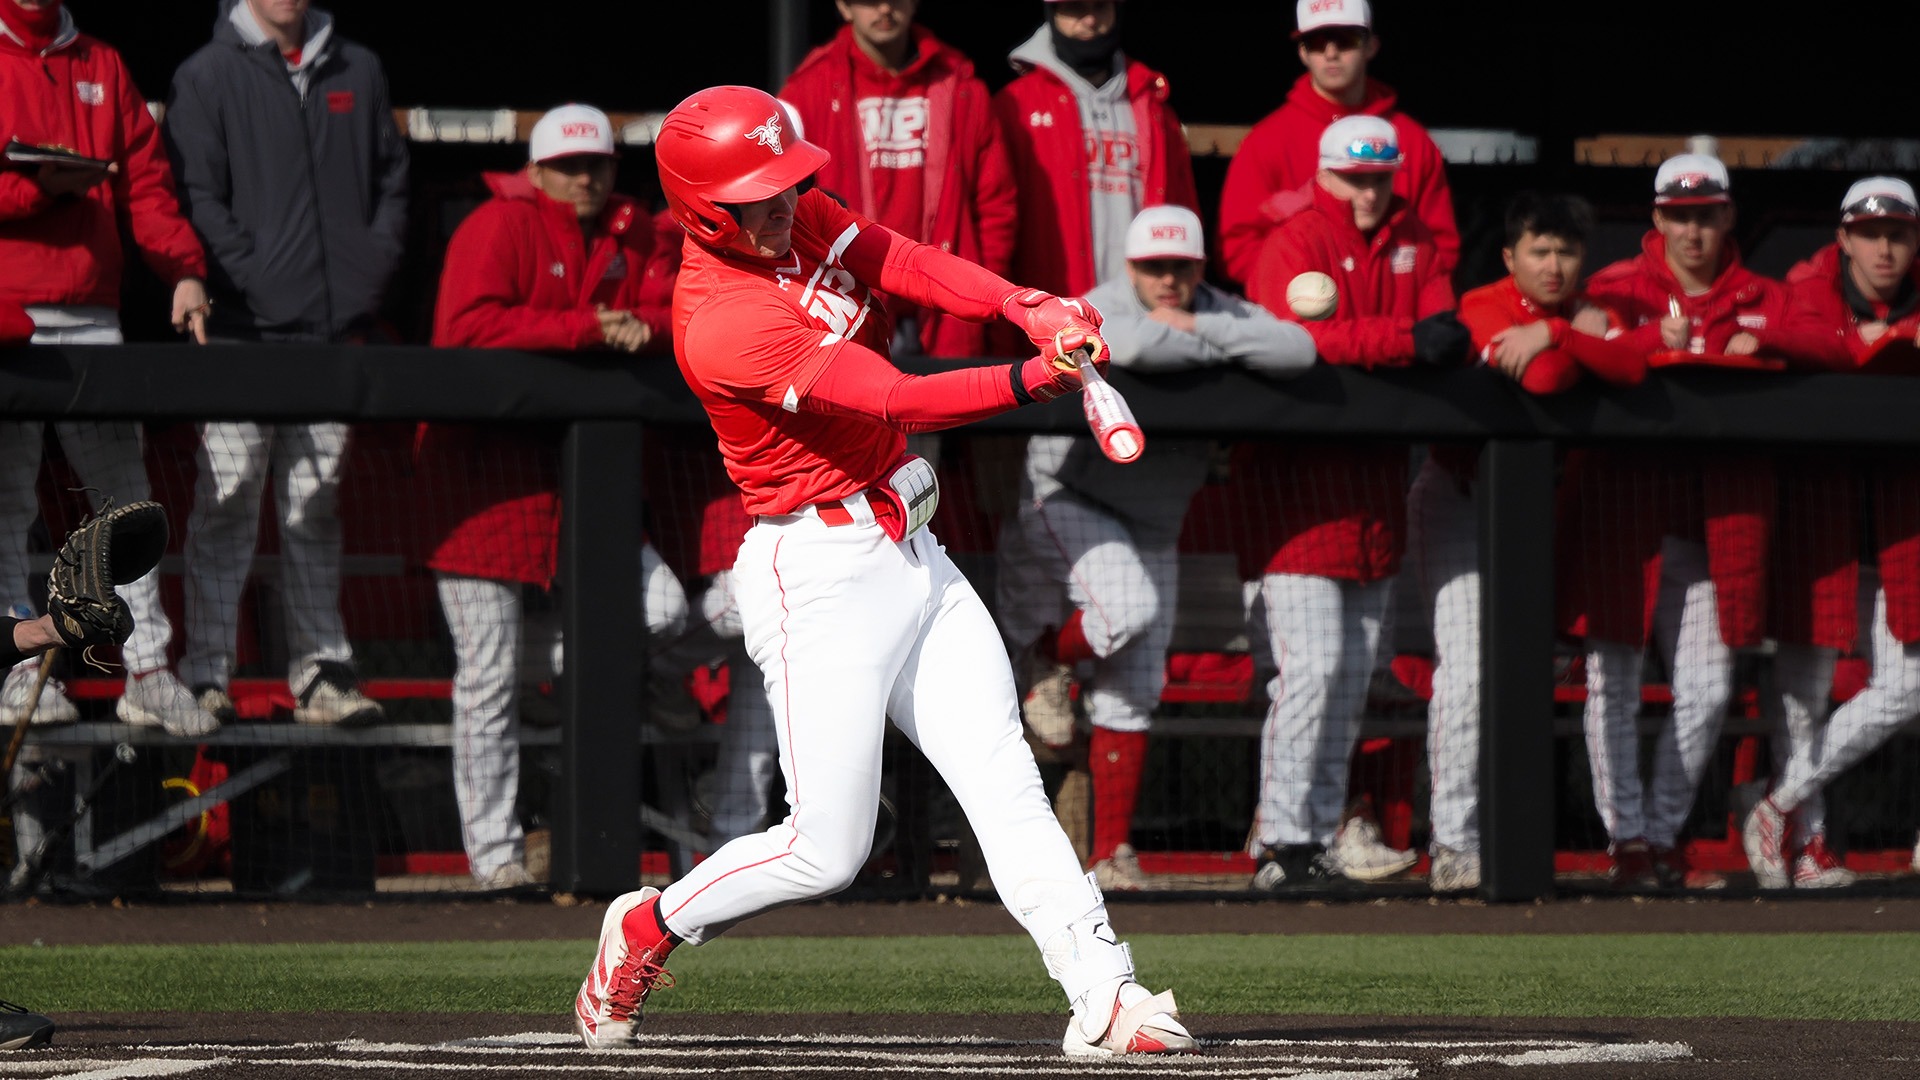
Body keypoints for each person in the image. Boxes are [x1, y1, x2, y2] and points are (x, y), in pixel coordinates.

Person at [573, 85, 1194, 1059]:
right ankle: (647, 926)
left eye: (787, 185)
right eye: (761, 195)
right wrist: (1037, 375)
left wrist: (1020, 304)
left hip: (908, 544)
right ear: (705, 211)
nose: (787, 205)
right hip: (813, 569)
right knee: (830, 846)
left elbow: (901, 260)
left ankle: (1105, 999)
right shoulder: (722, 319)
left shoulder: (786, 215)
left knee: (1003, 776)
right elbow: (896, 395)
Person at [996, 205, 1314, 891]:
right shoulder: (1099, 303)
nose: (1168, 280)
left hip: (1154, 514)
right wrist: (1225, 347)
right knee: (1126, 610)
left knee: (1136, 687)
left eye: (1181, 267)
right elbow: (1135, 349)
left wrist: (1199, 328)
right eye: (1153, 267)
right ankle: (1045, 660)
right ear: (1131, 266)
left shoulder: (1212, 307)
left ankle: (1110, 854)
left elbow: (1298, 350)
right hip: (1070, 494)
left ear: (1200, 268)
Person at [424, 104, 690, 890]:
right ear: (535, 170)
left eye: (598, 165)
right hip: (482, 487)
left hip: (583, 491)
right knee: (487, 679)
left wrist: (635, 323)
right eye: (569, 166)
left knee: (668, 611)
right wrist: (584, 329)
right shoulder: (496, 225)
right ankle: (495, 855)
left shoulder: (637, 229)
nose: (585, 178)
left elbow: (684, 309)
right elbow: (464, 331)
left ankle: (576, 684)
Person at [164, 0, 410, 727]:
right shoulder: (205, 74)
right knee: (229, 498)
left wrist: (366, 270)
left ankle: (322, 673)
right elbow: (194, 196)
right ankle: (205, 670)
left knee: (314, 505)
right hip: (239, 332)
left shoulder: (359, 69)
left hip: (331, 334)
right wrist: (256, 281)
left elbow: (392, 181)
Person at [1236, 115, 1466, 890]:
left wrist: (1409, 336)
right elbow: (1295, 346)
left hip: (1375, 498)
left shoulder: (1417, 241)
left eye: (1379, 177)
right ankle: (1279, 839)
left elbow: (1444, 327)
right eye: (1353, 178)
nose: (1367, 192)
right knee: (1311, 670)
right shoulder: (1293, 240)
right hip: (1299, 498)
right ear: (1326, 176)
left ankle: (1318, 834)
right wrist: (1401, 340)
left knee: (1353, 669)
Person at [1569, 154, 1786, 889]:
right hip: (1623, 520)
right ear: (1656, 219)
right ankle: (1625, 837)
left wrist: (1775, 345)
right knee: (1614, 684)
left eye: (1707, 214)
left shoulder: (1762, 295)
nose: (1693, 230)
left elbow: (1823, 339)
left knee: (1707, 688)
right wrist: (1603, 335)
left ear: (1729, 217)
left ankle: (1660, 832)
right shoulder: (1610, 289)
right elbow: (1570, 357)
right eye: (1679, 215)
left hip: (1710, 526)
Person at [0, 0, 215, 737]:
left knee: (125, 506)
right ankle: (17, 667)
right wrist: (39, 188)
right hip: (6, 313)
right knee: (4, 504)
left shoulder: (102, 61)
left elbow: (147, 185)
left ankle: (148, 669)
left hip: (92, 314)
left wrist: (184, 270)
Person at [1436, 192, 1647, 891]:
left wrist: (1559, 335)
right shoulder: (1485, 302)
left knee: (1528, 675)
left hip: (1538, 513)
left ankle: (1497, 841)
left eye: (1566, 252)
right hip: (1455, 497)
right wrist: (1573, 341)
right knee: (1467, 672)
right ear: (1510, 256)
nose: (1553, 265)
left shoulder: (1585, 312)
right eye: (1539, 251)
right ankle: (1453, 844)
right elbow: (1549, 383)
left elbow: (1633, 367)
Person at [1742, 176, 1920, 889]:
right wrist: (1877, 340)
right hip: (1818, 515)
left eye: (1899, 233)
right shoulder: (1808, 283)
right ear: (1843, 238)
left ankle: (1775, 805)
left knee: (1908, 685)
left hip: (1901, 522)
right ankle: (1808, 846)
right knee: (1801, 696)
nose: (1885, 246)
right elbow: (1790, 335)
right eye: (1871, 232)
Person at [777, 0, 1016, 357]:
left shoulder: (961, 85)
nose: (885, 9)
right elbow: (783, 206)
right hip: (847, 302)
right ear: (843, 7)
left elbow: (996, 205)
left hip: (948, 307)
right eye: (870, 0)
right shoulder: (807, 89)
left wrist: (982, 292)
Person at [1216, 0, 1457, 287]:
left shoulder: (1413, 141)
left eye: (1346, 39)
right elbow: (1237, 249)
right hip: (1299, 320)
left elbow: (1441, 248)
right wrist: (1289, 291)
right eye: (1317, 42)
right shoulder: (1265, 141)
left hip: (1393, 318)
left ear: (1371, 46)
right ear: (1302, 52)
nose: (1331, 53)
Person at [993, 0, 1198, 305]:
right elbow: (996, 222)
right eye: (1075, 8)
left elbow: (1183, 212)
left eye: (1100, 7)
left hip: (1143, 318)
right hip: (1051, 312)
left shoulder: (1152, 105)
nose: (1090, 20)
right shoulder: (1015, 106)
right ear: (1052, 13)